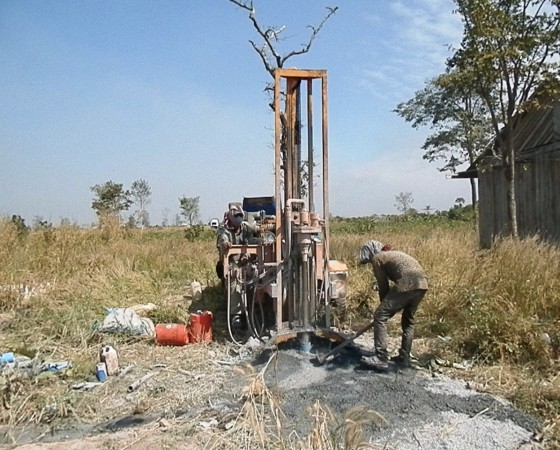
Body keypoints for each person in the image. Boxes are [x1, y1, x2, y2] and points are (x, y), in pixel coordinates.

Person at [358, 240, 428, 370]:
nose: (369, 262)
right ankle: (404, 358)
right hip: (423, 283)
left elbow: (383, 285)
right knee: (408, 322)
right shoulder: (392, 254)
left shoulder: (377, 258)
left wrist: (384, 309)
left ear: (371, 253)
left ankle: (380, 357)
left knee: (380, 316)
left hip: (408, 282)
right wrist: (390, 307)